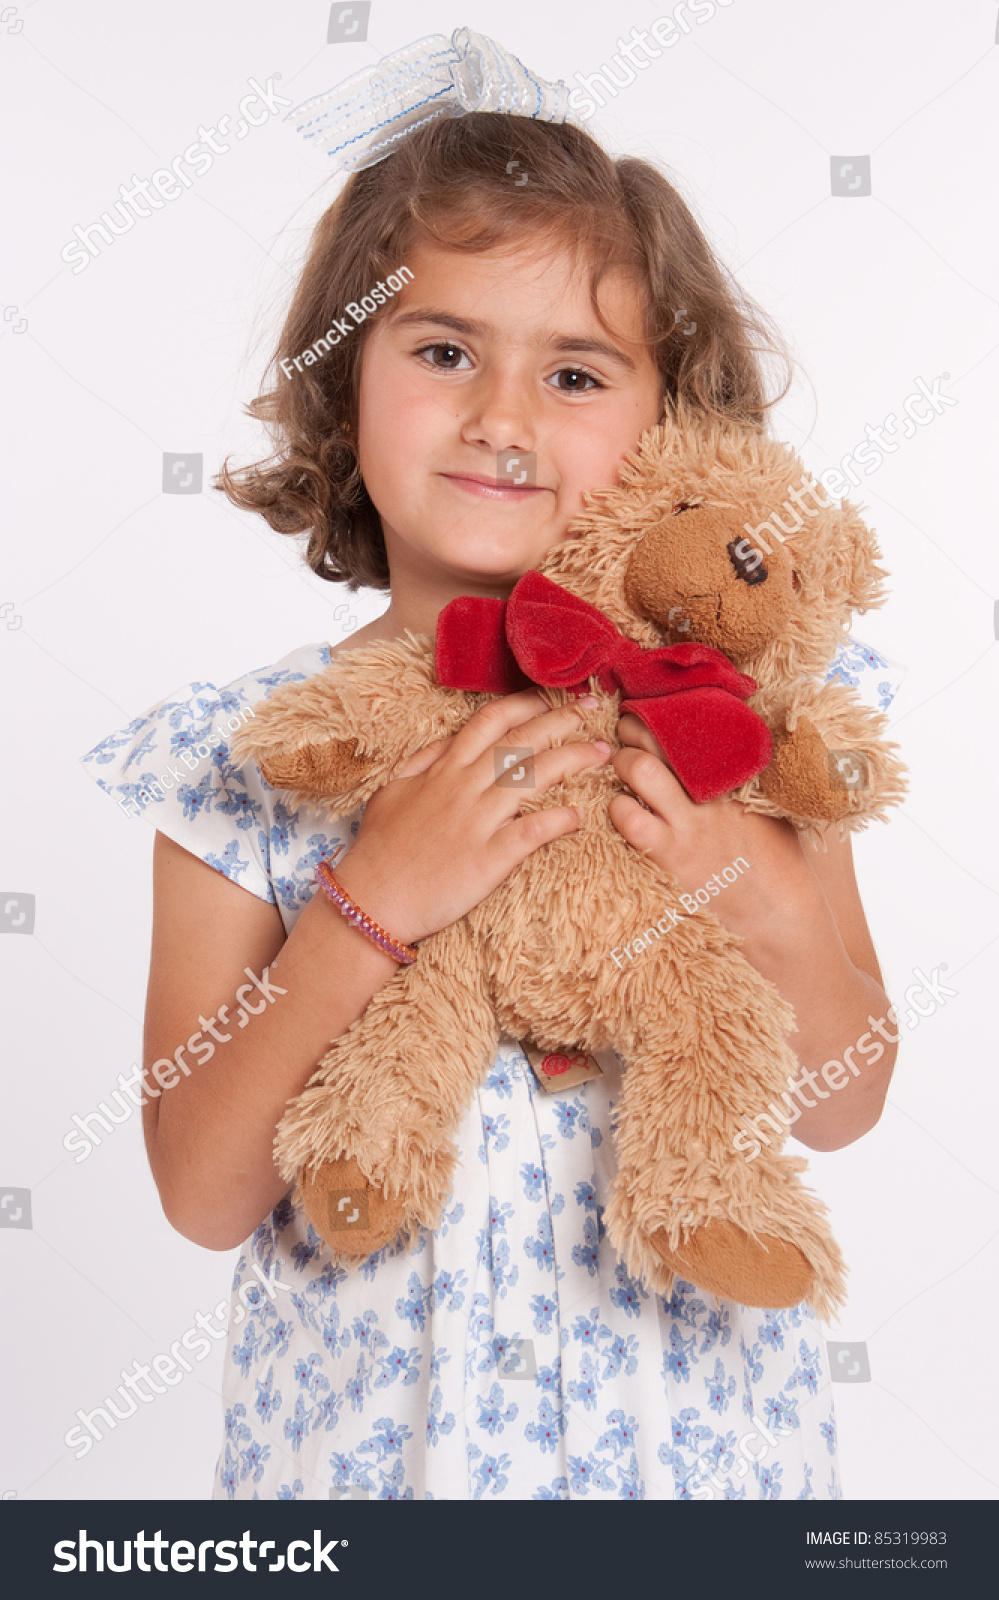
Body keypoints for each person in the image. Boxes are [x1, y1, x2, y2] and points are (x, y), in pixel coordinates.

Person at [83, 35, 904, 1502]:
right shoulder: (244, 762)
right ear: (345, 388)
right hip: (371, 1487)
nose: (503, 419)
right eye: (444, 349)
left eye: (576, 372)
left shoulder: (748, 727)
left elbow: (844, 1097)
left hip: (699, 1479)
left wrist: (755, 890)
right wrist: (369, 906)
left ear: (672, 429)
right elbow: (205, 1193)